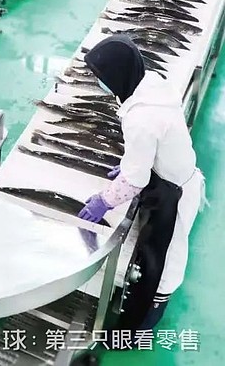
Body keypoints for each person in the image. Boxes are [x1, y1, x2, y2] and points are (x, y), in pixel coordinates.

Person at [76, 35, 205, 331]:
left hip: (174, 194)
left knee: (164, 259)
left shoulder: (141, 119)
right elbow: (149, 148)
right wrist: (129, 162)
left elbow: (135, 181)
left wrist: (104, 201)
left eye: (101, 77)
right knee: (159, 254)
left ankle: (146, 318)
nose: (100, 83)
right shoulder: (150, 85)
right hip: (172, 175)